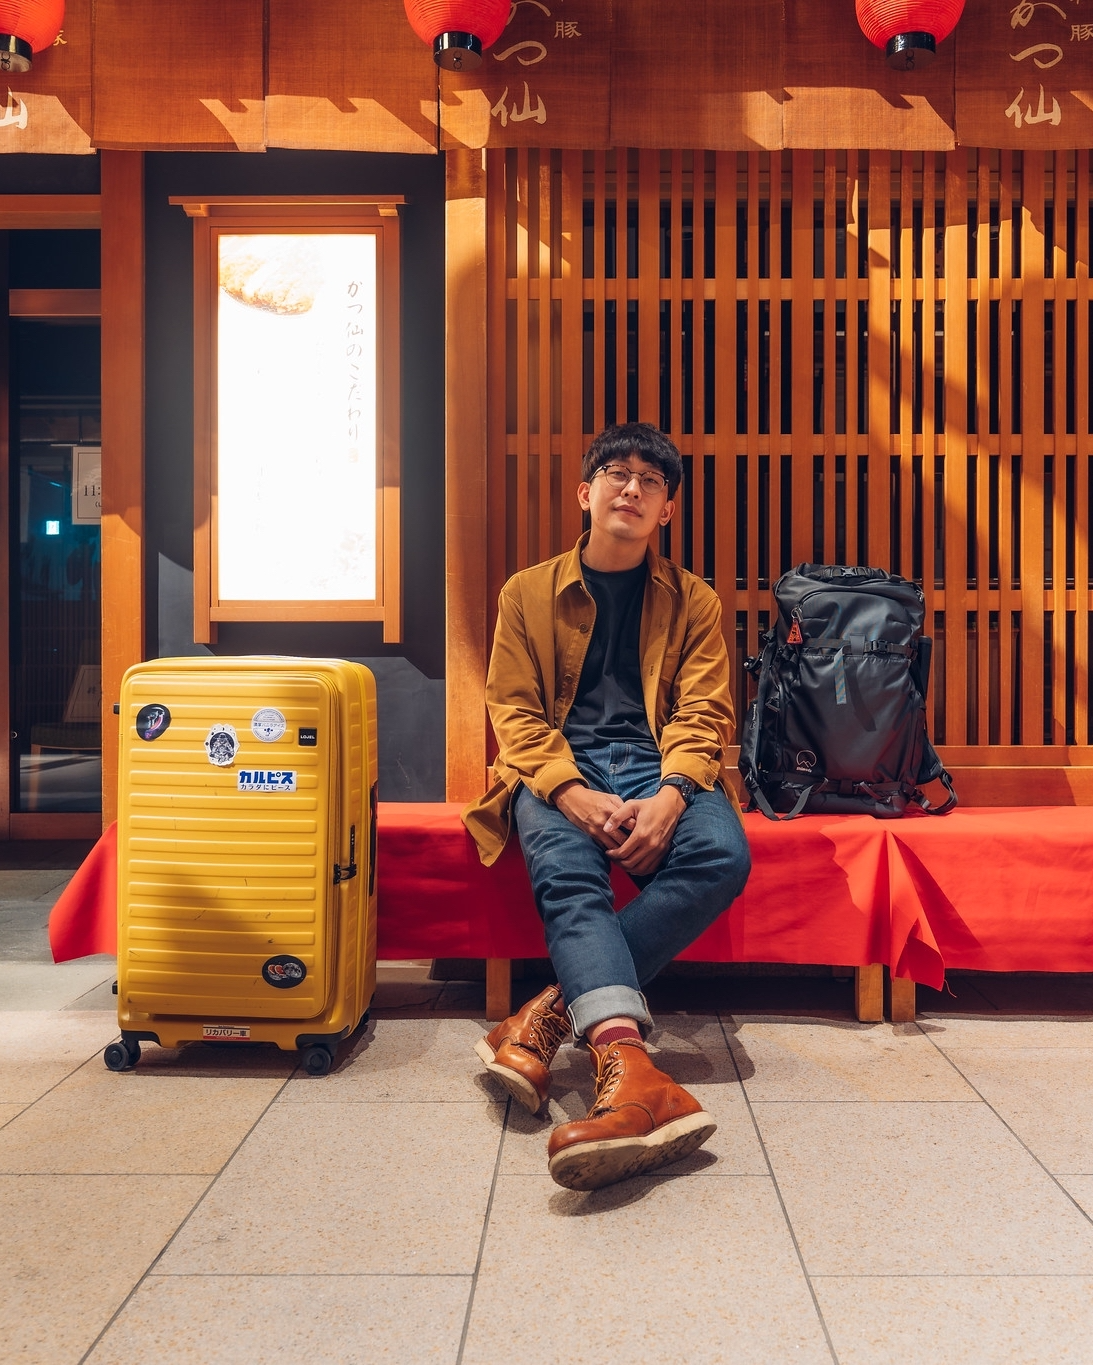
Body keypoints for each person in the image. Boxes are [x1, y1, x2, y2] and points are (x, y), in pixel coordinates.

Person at [462, 422, 751, 1191]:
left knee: (722, 853)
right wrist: (570, 790)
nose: (631, 488)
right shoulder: (525, 591)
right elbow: (515, 713)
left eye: (650, 482)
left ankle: (546, 1016)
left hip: (658, 765)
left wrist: (670, 794)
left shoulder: (692, 599)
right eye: (616, 474)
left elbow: (703, 712)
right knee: (567, 870)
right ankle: (632, 1069)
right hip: (561, 766)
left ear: (666, 511)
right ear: (585, 494)